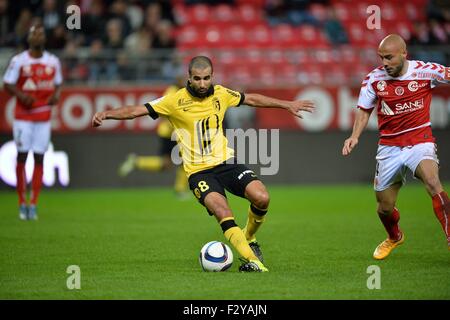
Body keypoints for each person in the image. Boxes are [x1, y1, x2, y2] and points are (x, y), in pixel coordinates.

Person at [92, 56, 314, 272]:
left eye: (206, 78)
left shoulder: (221, 93)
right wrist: (107, 114)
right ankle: (253, 261)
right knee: (222, 210)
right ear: (188, 78)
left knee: (262, 197)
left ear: (212, 76)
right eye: (197, 79)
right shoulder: (174, 101)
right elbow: (134, 111)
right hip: (199, 173)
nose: (202, 83)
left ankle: (248, 237)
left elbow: (252, 99)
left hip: (226, 162)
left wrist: (287, 104)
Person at [342, 34, 450, 260]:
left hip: (420, 141)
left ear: (403, 54)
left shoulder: (425, 71)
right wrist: (354, 136)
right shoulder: (373, 79)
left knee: (432, 181)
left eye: (389, 57)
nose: (384, 63)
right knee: (385, 208)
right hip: (389, 148)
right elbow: (364, 110)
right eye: (381, 58)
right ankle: (394, 237)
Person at [3, 22, 63, 220]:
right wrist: (21, 95)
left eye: (40, 34)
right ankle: (21, 202)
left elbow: (58, 85)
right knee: (22, 156)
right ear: (28, 38)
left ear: (44, 38)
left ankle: (34, 203)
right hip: (23, 117)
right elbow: (7, 84)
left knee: (39, 158)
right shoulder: (19, 61)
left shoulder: (53, 61)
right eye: (34, 34)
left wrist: (55, 96)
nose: (37, 37)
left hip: (43, 118)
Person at [118, 75, 190, 199]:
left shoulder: (182, 92)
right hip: (170, 133)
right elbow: (162, 110)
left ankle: (137, 162)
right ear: (177, 81)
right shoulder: (172, 92)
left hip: (173, 133)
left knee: (169, 164)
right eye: (183, 80)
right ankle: (179, 190)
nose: (185, 82)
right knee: (180, 162)